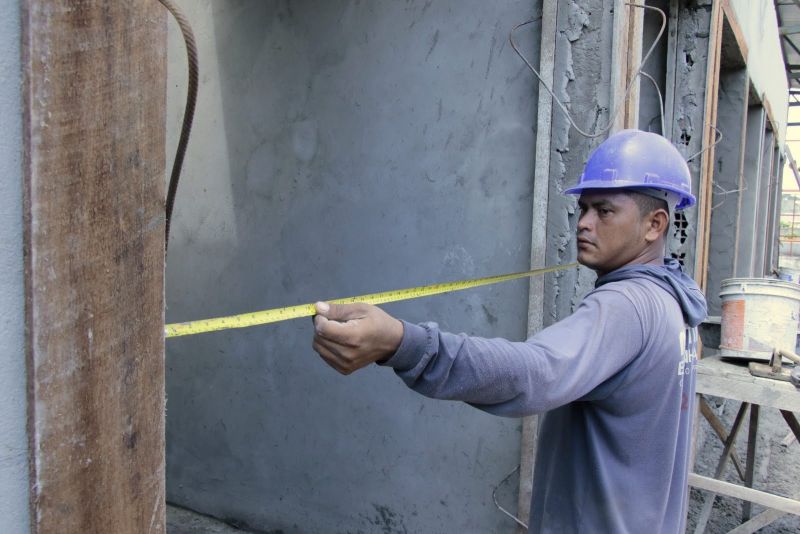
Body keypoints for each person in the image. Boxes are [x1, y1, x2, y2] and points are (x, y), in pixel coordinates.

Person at [311, 129, 707, 533]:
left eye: (603, 211)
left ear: (654, 225)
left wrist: (403, 344)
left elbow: (533, 373)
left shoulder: (626, 306)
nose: (583, 223)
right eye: (584, 208)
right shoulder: (675, 303)